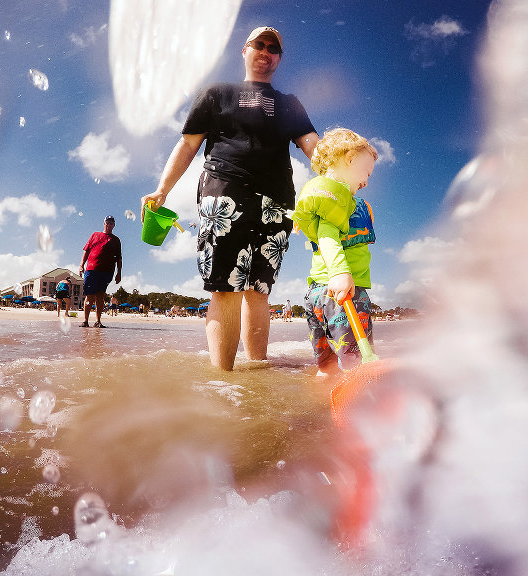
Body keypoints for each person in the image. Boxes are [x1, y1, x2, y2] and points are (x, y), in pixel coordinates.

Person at [140, 26, 318, 371]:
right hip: (225, 192)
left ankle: (255, 376)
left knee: (260, 289)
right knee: (225, 287)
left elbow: (312, 144)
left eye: (273, 48)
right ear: (245, 50)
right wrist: (163, 190)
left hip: (278, 200)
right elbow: (189, 144)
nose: (265, 51)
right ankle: (223, 382)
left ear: (279, 59)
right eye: (259, 45)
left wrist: (342, 172)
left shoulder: (289, 104)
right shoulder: (217, 93)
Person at [292, 128, 378, 376]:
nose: (367, 181)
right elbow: (328, 237)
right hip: (342, 293)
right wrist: (341, 273)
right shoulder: (335, 199)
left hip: (317, 292)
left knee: (326, 367)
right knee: (358, 367)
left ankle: (320, 409)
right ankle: (358, 410)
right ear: (350, 159)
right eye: (367, 171)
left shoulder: (335, 199)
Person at [79, 215, 122, 328]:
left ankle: (98, 321)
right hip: (92, 269)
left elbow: (119, 258)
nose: (109, 224)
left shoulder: (116, 240)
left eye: (111, 223)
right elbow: (86, 250)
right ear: (104, 223)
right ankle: (85, 321)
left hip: (107, 271)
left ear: (114, 225)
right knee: (89, 296)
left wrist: (119, 273)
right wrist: (81, 265)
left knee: (100, 296)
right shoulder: (95, 235)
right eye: (107, 222)